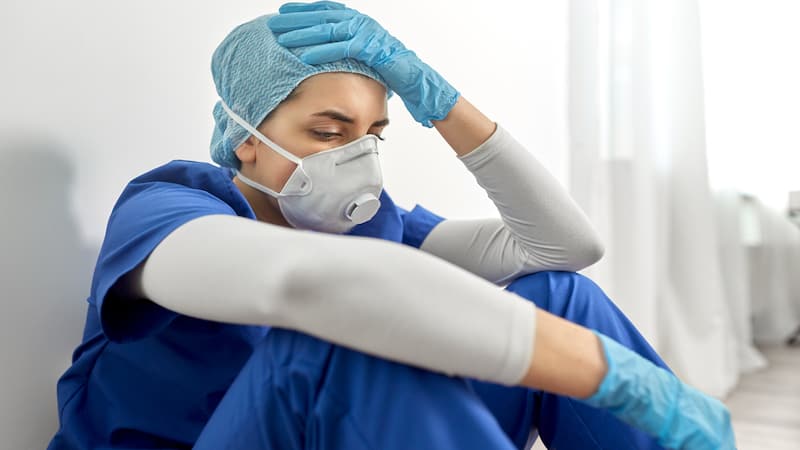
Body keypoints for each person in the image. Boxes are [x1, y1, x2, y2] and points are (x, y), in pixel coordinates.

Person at [48, 2, 735, 449]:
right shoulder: (169, 209)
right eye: (327, 131)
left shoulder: (370, 227)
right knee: (339, 343)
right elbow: (307, 288)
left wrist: (437, 97)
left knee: (552, 293)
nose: (357, 157)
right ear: (243, 136)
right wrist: (608, 374)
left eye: (374, 133)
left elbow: (564, 247)